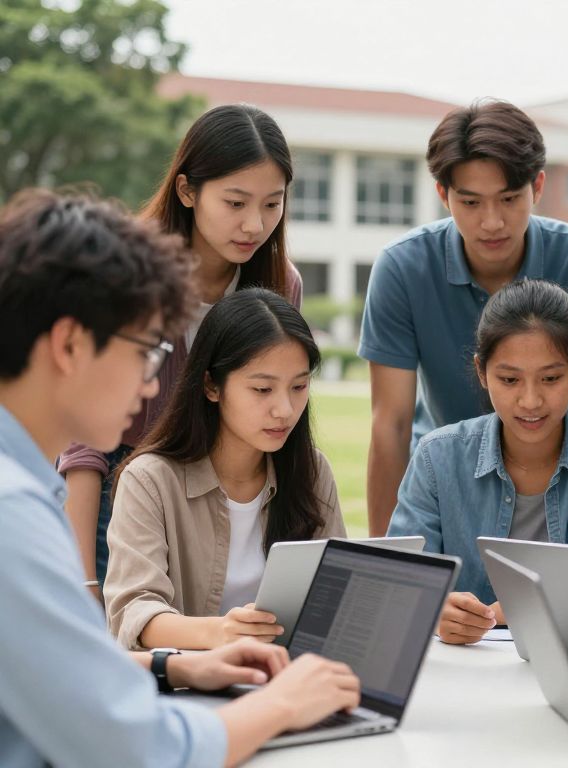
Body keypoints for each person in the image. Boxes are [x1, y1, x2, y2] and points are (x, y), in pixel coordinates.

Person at [0, 189, 359, 767]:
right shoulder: (13, 516)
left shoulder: (23, 493)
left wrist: (174, 664)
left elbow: (61, 671)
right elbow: (137, 749)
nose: (151, 383)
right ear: (69, 344)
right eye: (145, 351)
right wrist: (282, 704)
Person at [60, 104, 305, 599]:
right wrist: (83, 577)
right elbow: (84, 442)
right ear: (187, 190)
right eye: (235, 203)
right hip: (127, 489)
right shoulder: (125, 276)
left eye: (272, 204)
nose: (254, 225)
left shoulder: (280, 283)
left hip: (226, 497)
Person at [359, 100, 568, 535]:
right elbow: (390, 426)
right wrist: (388, 564)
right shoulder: (402, 267)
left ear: (537, 186)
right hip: (442, 484)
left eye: (509, 199)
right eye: (470, 201)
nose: (491, 222)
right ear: (443, 194)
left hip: (557, 486)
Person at [387, 279, 568, 645]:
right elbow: (399, 584)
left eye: (550, 378)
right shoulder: (438, 456)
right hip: (463, 669)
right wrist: (434, 610)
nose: (530, 401)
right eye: (510, 379)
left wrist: (498, 613)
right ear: (482, 371)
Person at [104, 289, 345, 650]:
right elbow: (134, 612)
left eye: (299, 386)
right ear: (211, 385)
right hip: (186, 687)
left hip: (285, 679)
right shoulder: (150, 480)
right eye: (263, 389)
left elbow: (337, 593)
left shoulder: (311, 471)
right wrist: (223, 633)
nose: (285, 408)